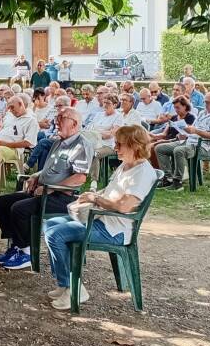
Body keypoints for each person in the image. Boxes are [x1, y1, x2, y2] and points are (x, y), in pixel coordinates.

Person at [42, 125, 159, 309]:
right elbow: (112, 192)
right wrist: (91, 197)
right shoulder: (126, 165)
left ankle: (75, 289)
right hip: (101, 219)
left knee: (56, 234)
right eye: (115, 144)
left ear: (135, 145)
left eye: (120, 145)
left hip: (114, 230)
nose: (115, 148)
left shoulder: (142, 172)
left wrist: (96, 199)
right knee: (49, 224)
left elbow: (124, 206)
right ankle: (66, 284)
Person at [0, 108, 92, 271]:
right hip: (45, 191)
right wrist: (36, 176)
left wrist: (50, 188)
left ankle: (26, 252)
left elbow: (79, 178)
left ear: (74, 123)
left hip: (62, 197)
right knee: (2, 202)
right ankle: (16, 247)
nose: (56, 121)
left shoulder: (80, 145)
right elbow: (50, 169)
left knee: (19, 209)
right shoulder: (59, 142)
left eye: (61, 118)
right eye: (56, 117)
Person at [156, 92, 210, 190]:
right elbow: (193, 128)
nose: (205, 104)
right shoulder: (203, 113)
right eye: (204, 102)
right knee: (160, 148)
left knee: (179, 150)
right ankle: (168, 178)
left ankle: (177, 182)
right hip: (190, 141)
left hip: (205, 145)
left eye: (207, 102)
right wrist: (185, 131)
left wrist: (195, 131)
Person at [0, 95, 39, 201]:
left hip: (12, 149)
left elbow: (28, 143)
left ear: (21, 104)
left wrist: (4, 144)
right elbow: (0, 130)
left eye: (12, 107)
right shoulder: (9, 115)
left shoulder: (31, 121)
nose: (10, 109)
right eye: (9, 107)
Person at [88, 94, 124, 179]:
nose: (105, 105)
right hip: (94, 142)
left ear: (115, 105)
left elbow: (111, 135)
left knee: (94, 154)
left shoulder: (118, 116)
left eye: (108, 103)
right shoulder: (98, 115)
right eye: (104, 102)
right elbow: (89, 130)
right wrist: (104, 132)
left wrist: (96, 131)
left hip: (109, 145)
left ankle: (94, 181)